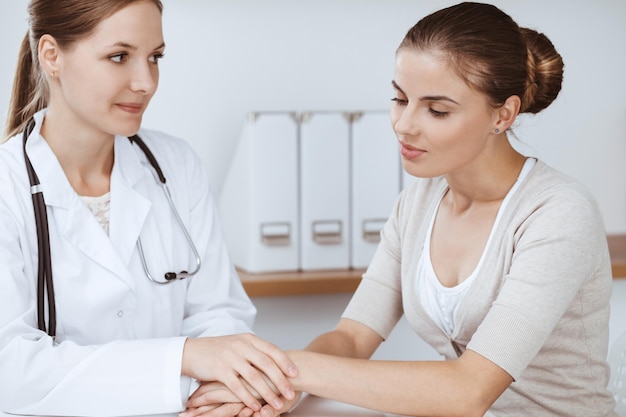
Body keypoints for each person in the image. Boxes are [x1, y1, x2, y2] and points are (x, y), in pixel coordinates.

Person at [184, 2, 618, 417]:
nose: (404, 124)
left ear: (502, 115)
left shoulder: (558, 213)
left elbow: (468, 391)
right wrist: (276, 391)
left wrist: (288, 368)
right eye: (399, 99)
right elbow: (352, 337)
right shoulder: (419, 201)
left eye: (436, 109)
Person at [0, 1, 297, 416]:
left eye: (154, 57)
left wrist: (221, 390)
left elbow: (220, 317)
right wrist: (184, 358)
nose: (145, 82)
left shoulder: (176, 167)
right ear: (52, 56)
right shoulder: (7, 187)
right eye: (119, 57)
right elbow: (12, 372)